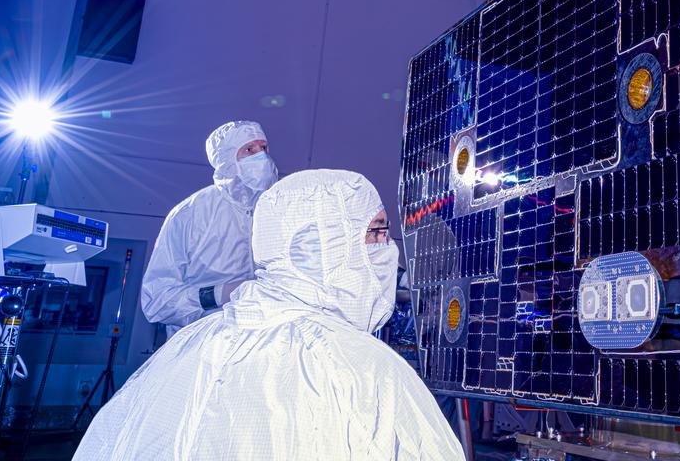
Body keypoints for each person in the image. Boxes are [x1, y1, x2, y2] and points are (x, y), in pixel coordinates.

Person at [75, 169, 464, 460]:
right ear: (323, 245)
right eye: (376, 232)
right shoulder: (361, 365)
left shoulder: (186, 347)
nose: (387, 248)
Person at [141, 120, 279, 335]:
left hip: (259, 340)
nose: (261, 157)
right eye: (249, 150)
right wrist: (218, 295)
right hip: (199, 342)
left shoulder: (275, 210)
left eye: (264, 148)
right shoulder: (190, 213)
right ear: (227, 158)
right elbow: (157, 301)